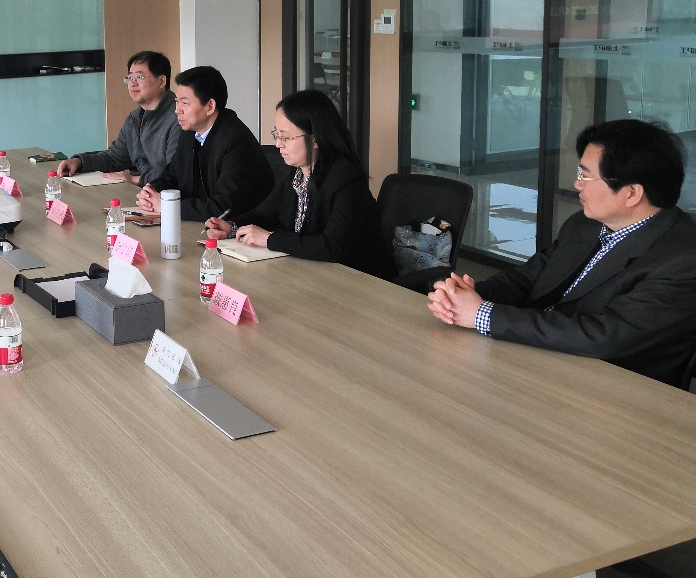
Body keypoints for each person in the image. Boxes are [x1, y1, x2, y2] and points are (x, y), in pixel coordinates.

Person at [428, 118, 696, 386]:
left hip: (610, 388)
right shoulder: (585, 224)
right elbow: (528, 278)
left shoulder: (682, 260)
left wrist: (482, 314)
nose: (577, 184)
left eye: (586, 175)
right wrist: (462, 297)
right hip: (542, 358)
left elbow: (603, 336)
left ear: (632, 194)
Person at [205, 89, 396, 279]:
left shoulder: (346, 178)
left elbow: (332, 247)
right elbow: (265, 214)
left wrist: (270, 239)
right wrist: (232, 226)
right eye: (276, 135)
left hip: (358, 280)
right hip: (310, 273)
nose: (278, 144)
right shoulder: (292, 172)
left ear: (315, 139)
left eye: (286, 137)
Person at [136, 65, 274, 222]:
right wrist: (150, 192)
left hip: (239, 230)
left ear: (210, 106)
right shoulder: (190, 133)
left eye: (185, 103)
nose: (177, 110)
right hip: (198, 224)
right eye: (177, 102)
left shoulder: (237, 142)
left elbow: (224, 208)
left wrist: (167, 206)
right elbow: (172, 176)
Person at [57, 50, 179, 187]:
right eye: (130, 78)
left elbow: (175, 173)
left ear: (161, 81)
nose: (132, 83)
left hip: (165, 194)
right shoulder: (135, 118)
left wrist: (133, 179)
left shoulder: (179, 118)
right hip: (142, 190)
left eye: (140, 77)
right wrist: (78, 162)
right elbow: (114, 158)